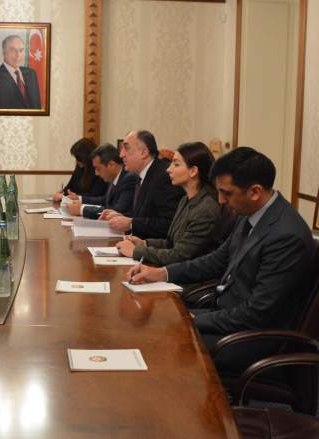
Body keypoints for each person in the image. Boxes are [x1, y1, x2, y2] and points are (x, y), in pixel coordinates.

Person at [127, 147, 314, 371]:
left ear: (255, 192)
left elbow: (257, 313)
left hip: (252, 338)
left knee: (165, 345)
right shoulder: (251, 214)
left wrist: (192, 318)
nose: (221, 200)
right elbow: (216, 260)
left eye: (227, 193)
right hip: (226, 317)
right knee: (153, 323)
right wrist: (161, 273)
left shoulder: (286, 235)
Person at [117, 142, 221, 265]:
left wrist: (136, 251)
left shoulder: (205, 209)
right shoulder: (185, 200)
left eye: (176, 164)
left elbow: (179, 255)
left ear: (193, 171)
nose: (168, 169)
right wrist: (144, 243)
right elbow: (171, 243)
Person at [101, 130, 183, 238]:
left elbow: (169, 224)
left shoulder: (164, 176)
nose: (121, 155)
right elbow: (146, 215)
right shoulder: (141, 175)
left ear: (144, 152)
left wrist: (131, 223)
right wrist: (122, 218)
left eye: (126, 148)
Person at [65, 143, 138, 218]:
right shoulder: (114, 177)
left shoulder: (129, 178)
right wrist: (79, 198)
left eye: (98, 168)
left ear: (111, 165)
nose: (96, 173)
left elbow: (117, 211)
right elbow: (104, 200)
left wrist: (81, 209)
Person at [0, 35, 41, 109]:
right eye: (13, 50)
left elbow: (37, 107)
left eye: (21, 50)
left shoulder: (31, 74)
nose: (18, 55)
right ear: (3, 53)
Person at [52, 138, 107, 202]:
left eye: (78, 158)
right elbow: (69, 188)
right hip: (75, 204)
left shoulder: (98, 170)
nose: (77, 161)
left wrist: (74, 196)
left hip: (90, 205)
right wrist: (62, 193)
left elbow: (96, 195)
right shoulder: (79, 167)